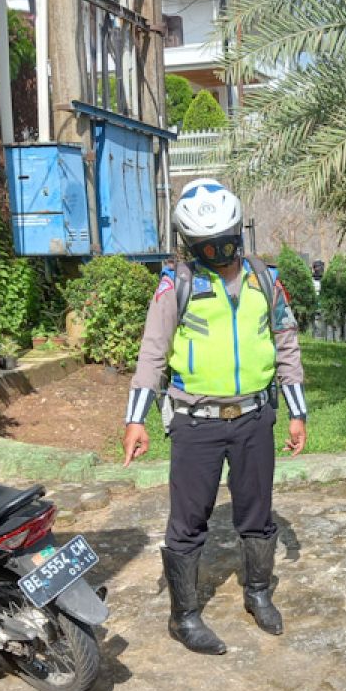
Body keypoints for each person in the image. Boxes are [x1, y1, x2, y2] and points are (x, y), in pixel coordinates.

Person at [123, 178, 309, 656]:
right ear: (190, 245)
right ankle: (184, 616)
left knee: (257, 513)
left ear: (239, 232)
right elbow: (152, 352)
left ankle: (258, 593)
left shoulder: (265, 280)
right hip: (196, 423)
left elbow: (286, 344)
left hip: (254, 418)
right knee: (188, 520)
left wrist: (296, 412)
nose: (219, 250)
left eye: (226, 239)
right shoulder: (177, 284)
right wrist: (135, 420)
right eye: (207, 245)